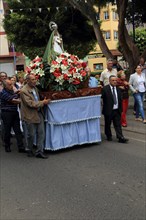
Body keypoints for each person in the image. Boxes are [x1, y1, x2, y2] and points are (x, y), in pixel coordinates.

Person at [20, 74, 51, 159]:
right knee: (31, 135)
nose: (35, 81)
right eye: (33, 80)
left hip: (39, 113)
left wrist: (42, 100)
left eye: (35, 79)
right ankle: (29, 149)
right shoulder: (23, 91)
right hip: (30, 115)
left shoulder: (35, 88)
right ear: (27, 81)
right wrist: (43, 102)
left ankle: (39, 151)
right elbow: (30, 103)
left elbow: (36, 99)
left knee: (41, 133)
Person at [101, 75, 129, 143]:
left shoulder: (118, 89)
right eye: (113, 80)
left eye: (115, 80)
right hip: (108, 110)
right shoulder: (105, 89)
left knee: (118, 124)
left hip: (117, 110)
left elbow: (120, 99)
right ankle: (108, 135)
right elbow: (101, 98)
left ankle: (120, 137)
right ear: (109, 81)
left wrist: (121, 109)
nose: (114, 82)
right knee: (108, 124)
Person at [0, 79, 25, 152]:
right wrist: (25, 101)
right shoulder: (3, 93)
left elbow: (15, 95)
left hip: (14, 112)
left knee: (18, 130)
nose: (12, 86)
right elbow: (13, 101)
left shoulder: (11, 91)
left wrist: (17, 93)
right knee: (7, 131)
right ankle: (7, 146)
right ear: (5, 86)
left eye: (12, 84)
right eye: (10, 85)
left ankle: (21, 147)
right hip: (6, 113)